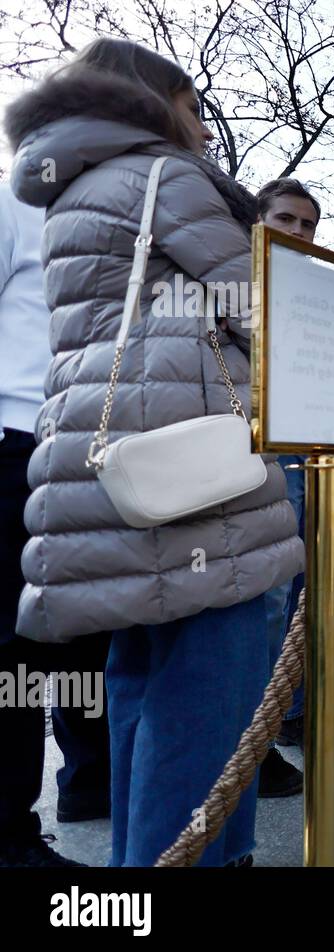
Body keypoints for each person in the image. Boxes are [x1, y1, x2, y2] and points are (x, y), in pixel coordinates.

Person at [5, 38, 303, 865]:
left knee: (144, 691)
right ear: (152, 99)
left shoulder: (72, 188)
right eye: (194, 107)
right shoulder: (163, 178)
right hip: (197, 478)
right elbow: (265, 307)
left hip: (112, 467)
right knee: (210, 704)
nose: (205, 131)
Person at [0, 184, 113, 867]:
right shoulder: (15, 208)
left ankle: (86, 782)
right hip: (16, 444)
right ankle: (10, 835)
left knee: (80, 641)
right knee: (15, 654)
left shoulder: (108, 226)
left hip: (84, 454)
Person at [252, 178, 322, 793]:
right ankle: (262, 729)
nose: (298, 233)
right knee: (271, 595)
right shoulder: (237, 286)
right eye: (286, 220)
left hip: (305, 452)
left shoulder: (317, 290)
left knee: (301, 585)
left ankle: (291, 712)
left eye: (308, 225)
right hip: (256, 458)